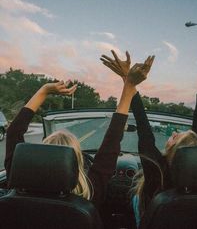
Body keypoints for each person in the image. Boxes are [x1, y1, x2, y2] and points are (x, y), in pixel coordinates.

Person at [101, 46, 197, 227]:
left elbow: (144, 128)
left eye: (177, 137)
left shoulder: (157, 175)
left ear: (175, 154)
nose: (175, 132)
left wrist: (128, 80)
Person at [5, 59, 154, 210]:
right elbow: (113, 139)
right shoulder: (90, 191)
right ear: (77, 161)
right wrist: (129, 85)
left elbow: (12, 133)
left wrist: (44, 90)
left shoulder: (18, 182)